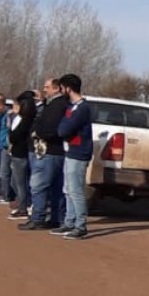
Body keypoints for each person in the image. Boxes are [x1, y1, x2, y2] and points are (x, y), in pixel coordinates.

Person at [21, 76, 68, 231]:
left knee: (38, 186)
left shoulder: (57, 105)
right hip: (56, 152)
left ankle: (38, 218)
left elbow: (52, 128)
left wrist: (37, 133)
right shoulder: (57, 104)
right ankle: (56, 218)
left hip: (50, 151)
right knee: (56, 188)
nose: (44, 90)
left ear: (56, 88)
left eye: (47, 87)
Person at [54, 75, 94, 240]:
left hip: (79, 153)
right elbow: (62, 126)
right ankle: (69, 222)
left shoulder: (82, 108)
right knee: (68, 189)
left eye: (62, 88)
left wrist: (64, 127)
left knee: (76, 190)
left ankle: (81, 225)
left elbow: (64, 129)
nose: (61, 91)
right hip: (70, 151)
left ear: (68, 88)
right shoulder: (73, 107)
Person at [6, 90, 37, 219]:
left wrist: (11, 134)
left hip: (21, 153)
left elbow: (15, 135)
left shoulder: (26, 120)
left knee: (20, 182)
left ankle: (23, 206)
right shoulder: (24, 118)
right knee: (17, 182)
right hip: (18, 152)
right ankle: (24, 204)